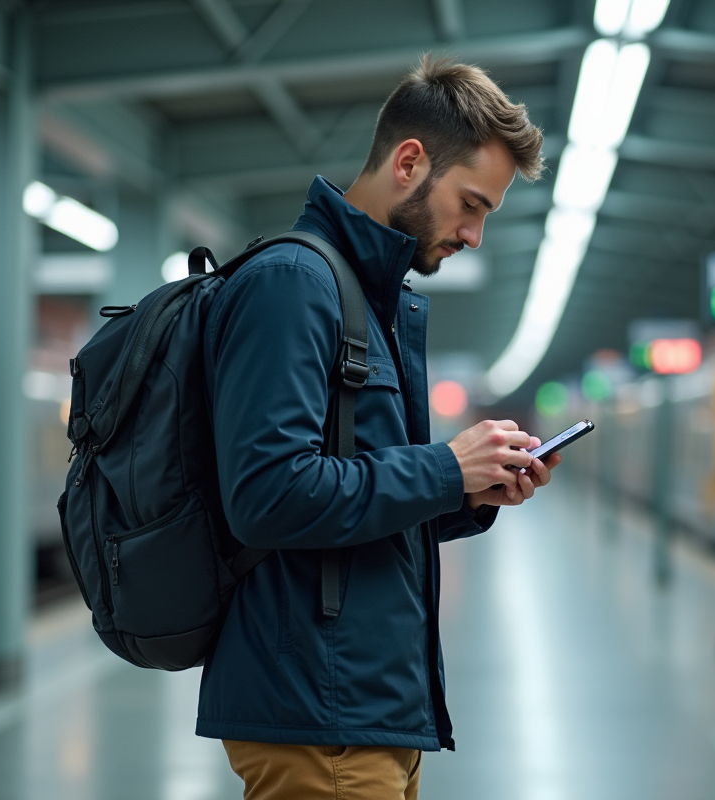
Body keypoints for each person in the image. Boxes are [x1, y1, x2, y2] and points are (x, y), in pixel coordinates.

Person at [199, 55, 557, 800]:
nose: (476, 233)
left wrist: (473, 493)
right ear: (408, 161)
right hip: (319, 715)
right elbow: (267, 495)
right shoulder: (294, 285)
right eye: (471, 203)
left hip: (363, 710)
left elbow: (356, 502)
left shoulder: (369, 300)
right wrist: (445, 469)